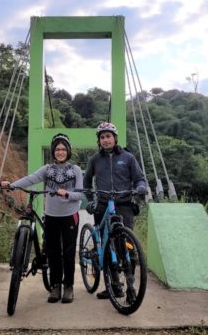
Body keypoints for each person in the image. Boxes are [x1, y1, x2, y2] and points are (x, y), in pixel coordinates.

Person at [0, 133, 83, 304]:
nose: (60, 152)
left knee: (68, 252)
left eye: (63, 149)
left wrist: (66, 193)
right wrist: (12, 185)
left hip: (70, 216)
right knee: (53, 252)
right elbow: (31, 179)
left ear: (68, 151)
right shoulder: (47, 169)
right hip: (51, 216)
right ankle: (55, 286)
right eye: (57, 149)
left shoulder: (75, 170)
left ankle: (68, 286)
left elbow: (79, 194)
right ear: (53, 151)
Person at [83, 122, 147, 300]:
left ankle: (131, 287)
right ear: (99, 141)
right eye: (102, 137)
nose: (105, 140)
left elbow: (139, 178)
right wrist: (90, 201)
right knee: (107, 245)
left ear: (115, 138)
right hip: (103, 206)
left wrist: (141, 187)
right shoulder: (94, 160)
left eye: (108, 136)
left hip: (123, 205)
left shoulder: (128, 157)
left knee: (127, 246)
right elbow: (86, 182)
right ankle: (114, 285)